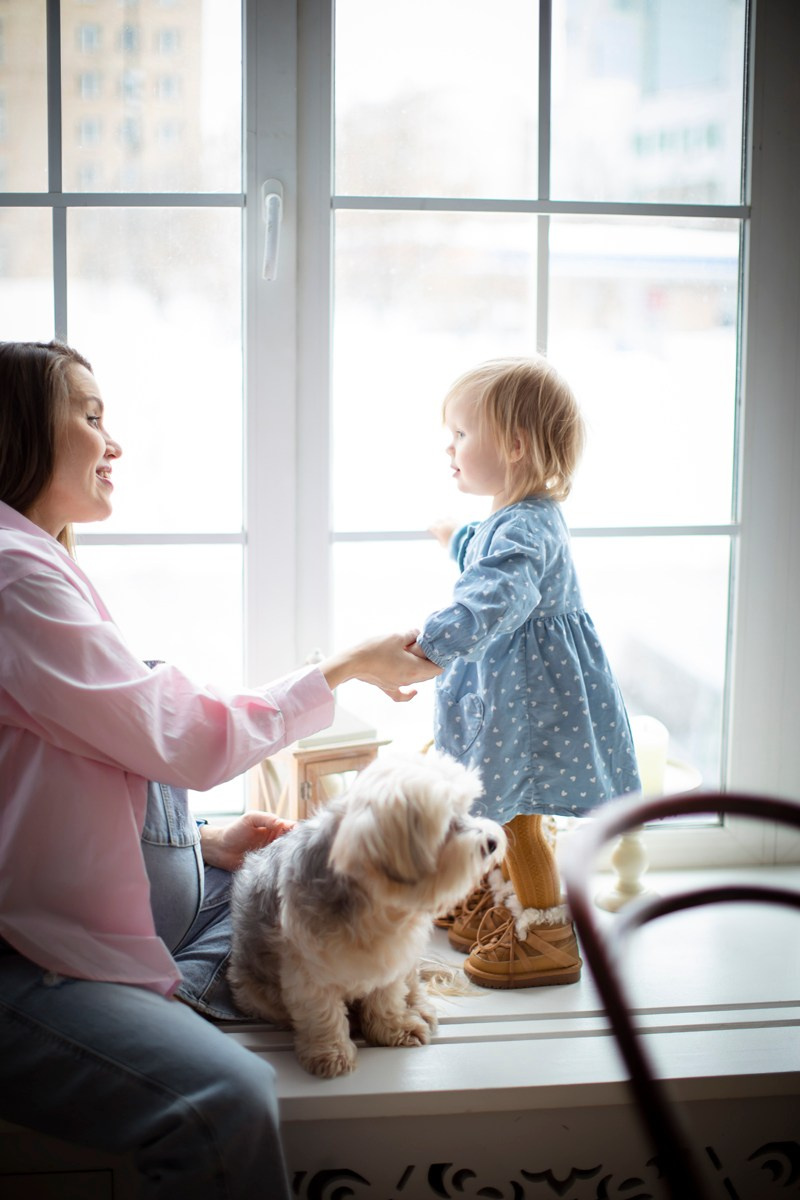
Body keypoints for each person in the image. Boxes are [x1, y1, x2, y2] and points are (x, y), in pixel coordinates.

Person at [0, 339, 440, 1198]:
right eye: (90, 418)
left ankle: (189, 979)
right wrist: (340, 668)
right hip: (34, 956)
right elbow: (181, 739)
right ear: (18, 431)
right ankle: (174, 1008)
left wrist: (203, 845)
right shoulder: (16, 580)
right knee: (228, 1098)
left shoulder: (35, 561)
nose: (113, 443)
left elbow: (45, 779)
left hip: (132, 912)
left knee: (276, 907)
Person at [411, 356, 640, 989]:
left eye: (461, 434)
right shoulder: (514, 519)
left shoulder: (529, 527)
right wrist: (456, 536)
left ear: (513, 445)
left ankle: (545, 932)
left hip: (532, 707)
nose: (448, 447)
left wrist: (432, 645)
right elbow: (487, 550)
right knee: (503, 808)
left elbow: (498, 592)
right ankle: (504, 900)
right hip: (513, 699)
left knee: (517, 819)